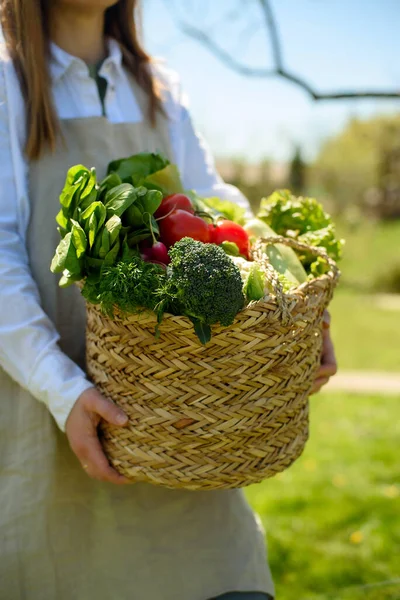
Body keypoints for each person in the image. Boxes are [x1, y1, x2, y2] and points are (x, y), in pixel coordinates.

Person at [0, 1, 337, 599]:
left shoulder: (158, 85)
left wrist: (293, 306)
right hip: (58, 431)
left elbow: (217, 207)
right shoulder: (6, 80)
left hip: (183, 434)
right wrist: (66, 390)